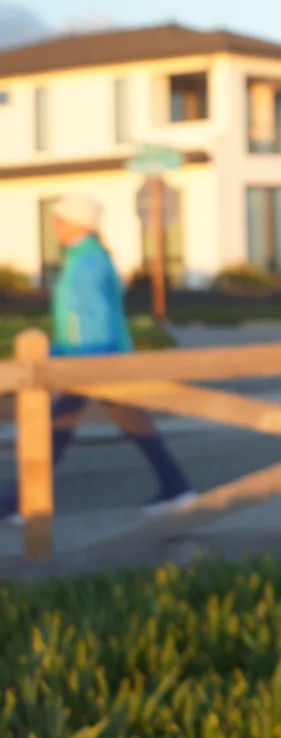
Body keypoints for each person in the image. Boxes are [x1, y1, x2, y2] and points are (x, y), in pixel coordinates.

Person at [1, 194, 196, 524]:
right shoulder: (85, 257)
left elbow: (94, 321)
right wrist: (56, 355)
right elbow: (75, 322)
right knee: (131, 424)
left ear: (79, 223)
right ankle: (177, 488)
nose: (54, 226)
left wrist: (78, 366)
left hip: (94, 360)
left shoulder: (88, 262)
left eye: (60, 220)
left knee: (57, 427)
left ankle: (20, 501)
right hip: (97, 358)